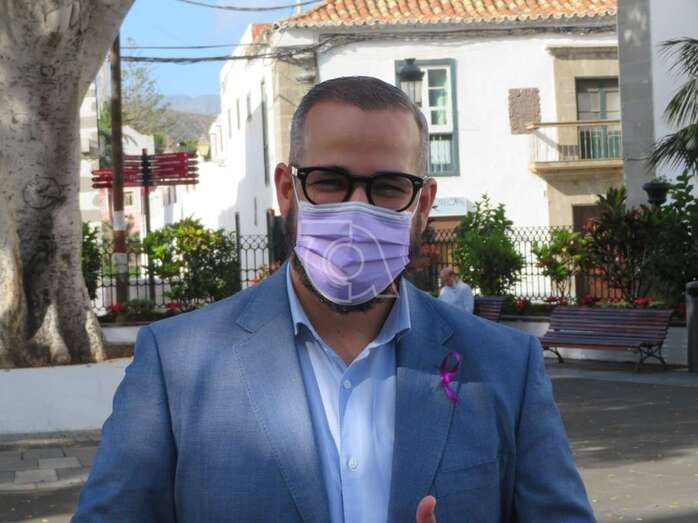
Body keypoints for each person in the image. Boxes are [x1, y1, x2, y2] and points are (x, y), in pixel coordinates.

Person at [72, 77, 595, 523]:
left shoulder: (506, 368)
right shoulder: (176, 366)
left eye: (388, 187)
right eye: (329, 182)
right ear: (286, 190)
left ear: (423, 204)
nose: (356, 212)